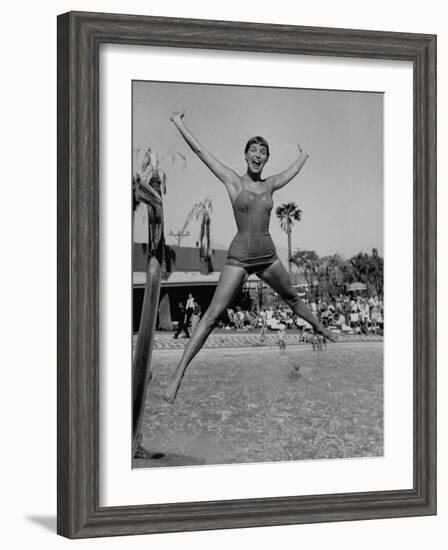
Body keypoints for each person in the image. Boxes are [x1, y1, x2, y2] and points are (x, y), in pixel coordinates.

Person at [164, 109, 336, 403]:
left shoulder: (269, 184)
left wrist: (304, 156)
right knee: (211, 317)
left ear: (266, 158)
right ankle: (178, 374)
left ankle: (320, 326)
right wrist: (180, 123)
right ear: (245, 155)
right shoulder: (233, 181)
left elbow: (290, 173)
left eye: (264, 152)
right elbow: (202, 151)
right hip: (240, 258)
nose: (258, 155)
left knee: (293, 298)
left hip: (267, 256)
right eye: (254, 150)